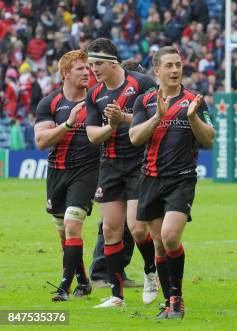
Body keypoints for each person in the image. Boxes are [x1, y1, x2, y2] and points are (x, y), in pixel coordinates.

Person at [130, 46, 215, 319]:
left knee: (169, 236)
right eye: (169, 65)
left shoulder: (194, 100)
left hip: (181, 179)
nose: (176, 70)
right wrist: (157, 117)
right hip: (151, 178)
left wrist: (192, 118)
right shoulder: (144, 102)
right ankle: (168, 302)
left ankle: (176, 299)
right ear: (157, 71)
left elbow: (209, 138)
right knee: (158, 244)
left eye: (178, 65)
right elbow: (134, 138)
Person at [85, 37, 158, 308]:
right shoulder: (94, 94)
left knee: (137, 229)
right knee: (111, 230)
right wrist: (112, 126)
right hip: (111, 166)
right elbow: (93, 135)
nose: (93, 69)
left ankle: (151, 272)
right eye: (91, 64)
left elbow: (156, 118)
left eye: (98, 64)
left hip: (140, 162)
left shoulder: (142, 84)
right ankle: (117, 296)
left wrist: (124, 118)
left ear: (114, 63)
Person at [34, 50, 98, 301]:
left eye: (87, 68)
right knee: (65, 234)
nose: (87, 72)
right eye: (80, 68)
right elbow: (41, 140)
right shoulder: (50, 103)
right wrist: (68, 124)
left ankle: (64, 286)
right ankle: (83, 280)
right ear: (65, 74)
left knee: (73, 226)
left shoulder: (97, 101)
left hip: (87, 172)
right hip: (57, 173)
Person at [88, 60, 147, 289]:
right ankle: (101, 272)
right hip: (112, 163)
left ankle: (117, 272)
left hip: (135, 163)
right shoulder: (101, 96)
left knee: (131, 224)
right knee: (112, 224)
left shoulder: (140, 92)